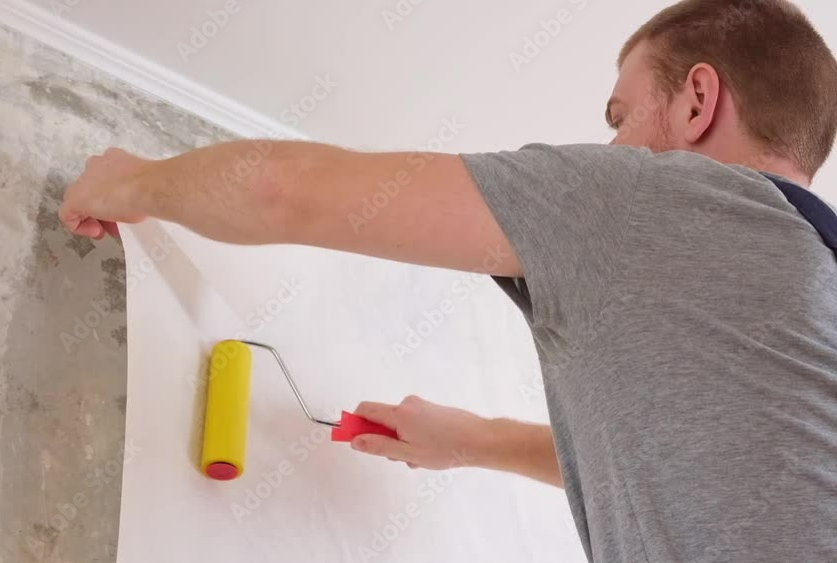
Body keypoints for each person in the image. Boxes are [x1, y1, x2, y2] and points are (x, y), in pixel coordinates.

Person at [60, 0, 837, 560]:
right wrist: (472, 440)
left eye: (621, 114)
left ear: (698, 100)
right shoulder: (809, 286)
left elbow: (281, 191)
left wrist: (130, 182)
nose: (611, 147)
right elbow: (695, 459)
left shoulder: (658, 200)